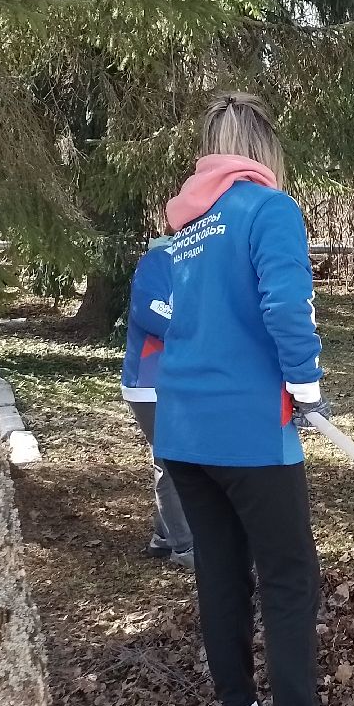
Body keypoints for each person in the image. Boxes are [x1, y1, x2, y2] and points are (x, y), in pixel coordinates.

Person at [155, 93, 354, 706]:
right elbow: (286, 304)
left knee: (219, 568)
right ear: (263, 150)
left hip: (183, 429)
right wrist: (306, 387)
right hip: (249, 429)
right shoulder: (267, 208)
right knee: (288, 578)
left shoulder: (183, 227)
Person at [120, 235, 194, 570]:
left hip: (181, 380)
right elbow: (149, 309)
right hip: (151, 381)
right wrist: (197, 332)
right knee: (175, 462)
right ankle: (185, 546)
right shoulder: (160, 259)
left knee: (175, 457)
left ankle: (165, 535)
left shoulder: (203, 260)